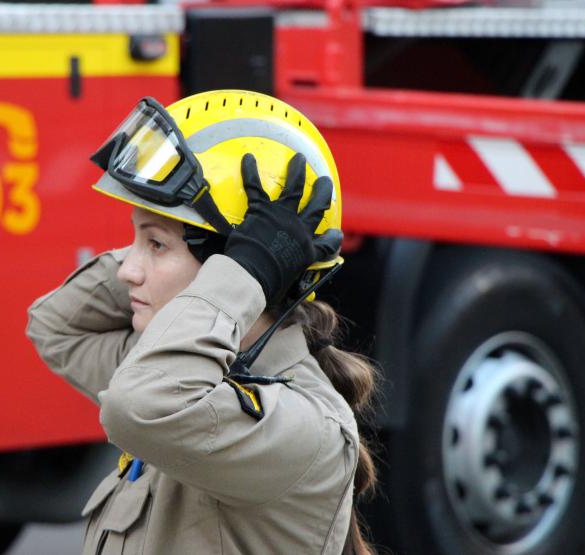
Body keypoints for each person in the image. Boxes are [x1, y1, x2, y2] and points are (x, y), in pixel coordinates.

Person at [26, 90, 379, 555]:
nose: (127, 269)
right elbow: (55, 325)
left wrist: (241, 271)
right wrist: (208, 258)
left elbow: (140, 404)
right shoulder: (183, 368)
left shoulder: (307, 429)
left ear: (238, 269)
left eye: (155, 245)